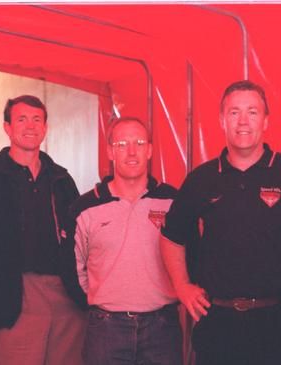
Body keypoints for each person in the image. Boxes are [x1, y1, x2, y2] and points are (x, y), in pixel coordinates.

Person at [159, 80, 281, 365]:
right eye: (234, 113)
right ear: (221, 120)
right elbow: (172, 236)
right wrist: (182, 286)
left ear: (266, 121)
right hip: (219, 324)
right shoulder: (202, 179)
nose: (243, 121)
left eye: (253, 112)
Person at [61, 117, 182, 364]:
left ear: (149, 150)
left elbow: (191, 255)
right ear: (110, 151)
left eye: (138, 143)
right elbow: (72, 268)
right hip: (106, 329)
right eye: (121, 144)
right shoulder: (85, 207)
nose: (131, 151)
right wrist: (102, 301)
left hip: (162, 327)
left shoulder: (173, 202)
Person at [0, 95, 85, 364]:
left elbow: (81, 236)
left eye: (37, 119)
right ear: (7, 127)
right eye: (21, 119)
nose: (30, 126)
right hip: (13, 296)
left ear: (45, 128)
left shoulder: (61, 179)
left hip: (66, 296)